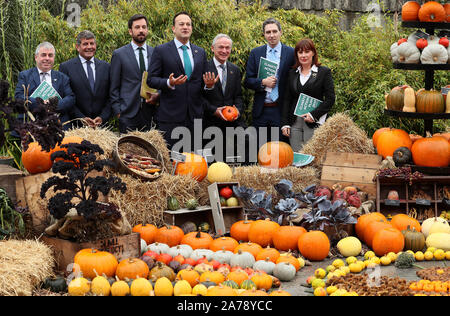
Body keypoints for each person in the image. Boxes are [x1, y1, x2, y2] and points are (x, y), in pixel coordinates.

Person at [148, 11, 211, 150]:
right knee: (173, 161)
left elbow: (203, 82)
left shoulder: (200, 52)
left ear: (192, 29)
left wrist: (209, 86)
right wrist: (169, 83)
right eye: (181, 24)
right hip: (171, 117)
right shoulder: (161, 50)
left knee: (194, 161)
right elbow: (151, 80)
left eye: (188, 24)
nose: (185, 27)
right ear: (173, 28)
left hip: (195, 116)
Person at [244, 18, 295, 149]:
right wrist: (262, 82)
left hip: (280, 110)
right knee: (259, 149)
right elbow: (247, 81)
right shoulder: (256, 53)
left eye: (274, 31)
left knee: (279, 150)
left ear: (280, 32)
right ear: (264, 34)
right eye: (268, 32)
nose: (271, 35)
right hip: (261, 109)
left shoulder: (291, 53)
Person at [281, 38, 335, 152]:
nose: (303, 55)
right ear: (296, 55)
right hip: (294, 122)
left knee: (311, 156)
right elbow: (287, 99)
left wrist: (314, 115)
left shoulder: (323, 72)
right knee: (296, 156)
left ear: (313, 53)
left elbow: (330, 99)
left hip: (313, 122)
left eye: (307, 51)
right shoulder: (292, 73)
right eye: (300, 52)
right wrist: (285, 123)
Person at [202, 34, 250, 163]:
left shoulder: (234, 70)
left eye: (227, 48)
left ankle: (244, 174)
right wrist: (214, 110)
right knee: (215, 161)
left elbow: (238, 96)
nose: (224, 51)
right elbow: (198, 97)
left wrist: (238, 110)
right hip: (210, 120)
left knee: (249, 139)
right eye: (221, 47)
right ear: (212, 48)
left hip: (232, 120)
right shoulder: (203, 68)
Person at [110, 14, 158, 133]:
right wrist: (118, 111)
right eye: (137, 27)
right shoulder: (119, 54)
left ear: (147, 30)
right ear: (130, 31)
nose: (141, 30)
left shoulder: (156, 53)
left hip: (151, 112)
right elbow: (113, 86)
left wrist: (158, 96)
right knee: (128, 151)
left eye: (143, 27)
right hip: (127, 114)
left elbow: (160, 79)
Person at [14, 42, 75, 129]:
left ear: (54, 58)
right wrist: (40, 104)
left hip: (58, 123)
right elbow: (18, 97)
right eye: (43, 55)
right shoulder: (25, 75)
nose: (47, 58)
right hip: (32, 123)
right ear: (36, 57)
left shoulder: (62, 77)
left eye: (50, 55)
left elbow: (70, 98)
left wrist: (52, 105)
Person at [59, 30, 111, 128]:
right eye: (85, 44)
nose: (89, 47)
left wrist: (102, 117)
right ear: (77, 47)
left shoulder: (106, 67)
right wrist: (81, 118)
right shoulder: (66, 67)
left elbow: (111, 95)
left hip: (102, 127)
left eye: (92, 43)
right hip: (76, 127)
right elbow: (65, 97)